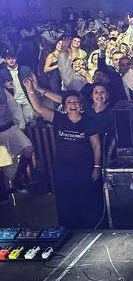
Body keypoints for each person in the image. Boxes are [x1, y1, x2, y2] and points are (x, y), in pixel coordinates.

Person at [24, 78, 103, 229]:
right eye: (69, 103)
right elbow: (39, 108)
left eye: (76, 102)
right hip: (63, 169)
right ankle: (69, 229)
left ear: (81, 105)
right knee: (65, 200)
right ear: (65, 107)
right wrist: (30, 89)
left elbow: (96, 145)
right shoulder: (58, 118)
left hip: (84, 169)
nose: (73, 105)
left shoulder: (89, 121)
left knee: (85, 199)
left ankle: (87, 228)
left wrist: (97, 166)